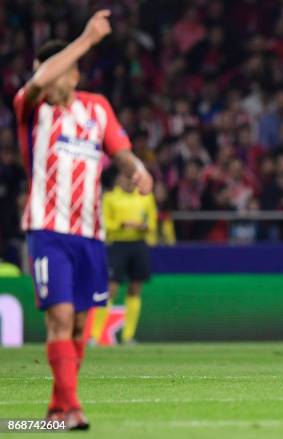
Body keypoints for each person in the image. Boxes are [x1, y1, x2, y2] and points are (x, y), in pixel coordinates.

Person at [13, 10, 153, 429]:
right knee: (57, 317)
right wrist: (87, 38)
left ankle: (58, 410)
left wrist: (137, 169)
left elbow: (120, 150)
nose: (48, 78)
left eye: (56, 70)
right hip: (48, 229)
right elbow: (36, 83)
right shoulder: (31, 109)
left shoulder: (97, 108)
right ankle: (73, 409)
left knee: (78, 325)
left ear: (72, 75)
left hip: (90, 234)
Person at [91, 170, 157, 345]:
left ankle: (128, 336)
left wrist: (144, 226)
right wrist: (122, 224)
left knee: (135, 288)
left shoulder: (145, 197)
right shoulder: (111, 198)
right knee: (110, 288)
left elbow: (152, 221)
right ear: (119, 179)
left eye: (130, 178)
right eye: (124, 177)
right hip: (117, 245)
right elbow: (104, 223)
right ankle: (95, 336)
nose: (127, 181)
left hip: (138, 244)